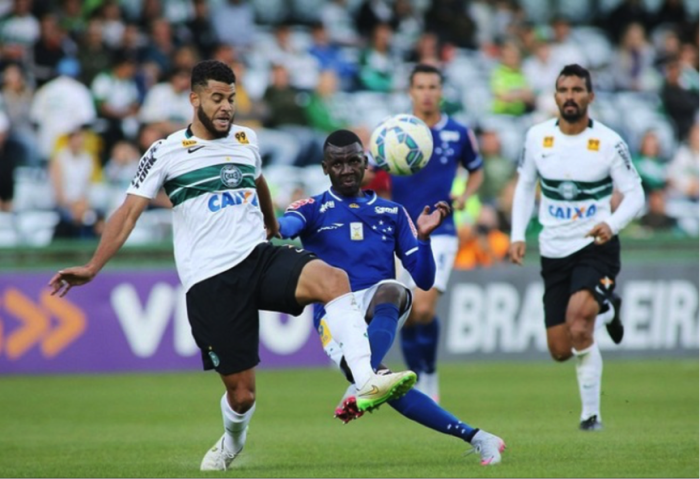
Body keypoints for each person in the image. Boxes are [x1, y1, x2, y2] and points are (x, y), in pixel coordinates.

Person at [48, 60, 417, 471]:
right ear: (195, 99)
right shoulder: (166, 151)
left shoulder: (246, 139)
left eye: (231, 98)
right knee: (242, 396)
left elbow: (258, 180)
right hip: (210, 280)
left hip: (257, 257)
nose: (226, 106)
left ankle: (365, 379)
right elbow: (127, 212)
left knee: (333, 278)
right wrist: (93, 266)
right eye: (217, 98)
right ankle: (231, 442)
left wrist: (273, 224)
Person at [277, 129, 506, 466]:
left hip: (378, 300)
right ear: (325, 168)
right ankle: (478, 436)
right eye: (337, 164)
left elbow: (425, 279)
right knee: (390, 388)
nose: (346, 170)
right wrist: (270, 216)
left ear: (365, 163)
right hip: (332, 316)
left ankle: (362, 378)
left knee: (395, 288)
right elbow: (284, 227)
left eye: (353, 161)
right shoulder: (312, 208)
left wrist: (425, 238)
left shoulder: (392, 213)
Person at [508, 64, 646, 431]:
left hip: (595, 245)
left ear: (590, 96)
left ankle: (590, 417)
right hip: (553, 250)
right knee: (560, 349)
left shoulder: (609, 142)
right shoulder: (537, 137)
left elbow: (635, 194)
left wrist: (612, 224)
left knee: (578, 322)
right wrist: (517, 235)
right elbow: (524, 187)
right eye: (564, 90)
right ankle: (608, 308)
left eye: (577, 90)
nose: (570, 96)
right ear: (555, 96)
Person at [391, 64, 484, 403]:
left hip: (440, 230)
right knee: (407, 310)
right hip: (399, 232)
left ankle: (428, 375)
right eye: (420, 86)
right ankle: (416, 376)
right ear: (410, 91)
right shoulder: (395, 132)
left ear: (441, 91)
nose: (427, 92)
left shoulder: (458, 132)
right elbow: (369, 168)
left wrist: (465, 195)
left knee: (425, 308)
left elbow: (476, 170)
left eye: (433, 86)